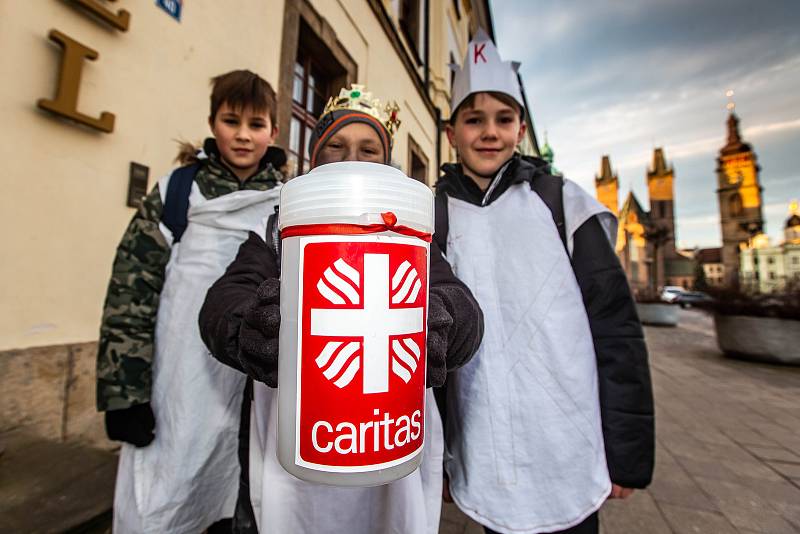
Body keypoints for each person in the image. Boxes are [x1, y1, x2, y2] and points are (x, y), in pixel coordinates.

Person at [198, 84, 484, 533]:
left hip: (390, 428)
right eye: (336, 145)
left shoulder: (410, 231)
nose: (352, 157)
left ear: (386, 161)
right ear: (315, 157)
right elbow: (223, 301)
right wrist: (252, 329)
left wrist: (442, 325)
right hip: (298, 433)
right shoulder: (277, 226)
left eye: (368, 148)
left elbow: (461, 306)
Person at [437, 30, 654, 534]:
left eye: (503, 119)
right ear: (451, 133)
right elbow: (431, 345)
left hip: (567, 448)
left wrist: (627, 454)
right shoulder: (434, 216)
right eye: (473, 120)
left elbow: (616, 330)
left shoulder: (563, 204)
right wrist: (441, 454)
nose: (489, 132)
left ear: (521, 128)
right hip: (485, 447)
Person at [95, 69, 283, 533]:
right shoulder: (176, 192)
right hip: (180, 380)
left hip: (253, 380)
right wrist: (125, 393)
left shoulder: (288, 202)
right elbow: (131, 292)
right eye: (231, 120)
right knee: (167, 495)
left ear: (273, 133)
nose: (242, 135)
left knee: (242, 494)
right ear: (211, 122)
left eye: (256, 125)